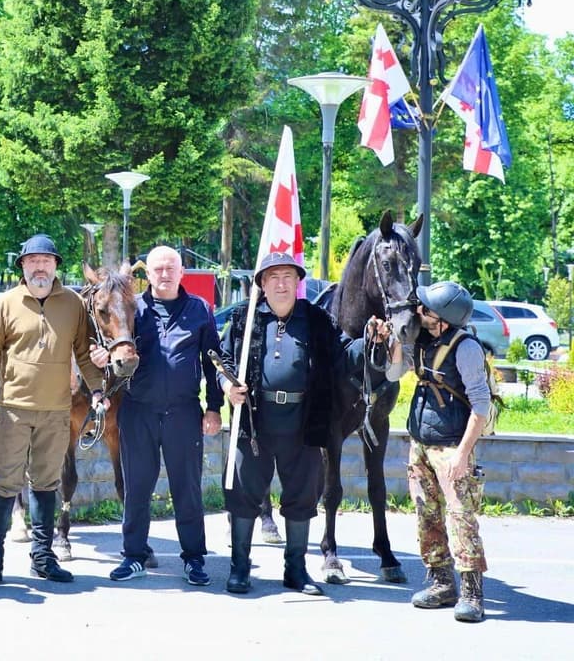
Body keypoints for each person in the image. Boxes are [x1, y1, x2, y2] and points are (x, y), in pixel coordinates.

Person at [0, 233, 106, 588]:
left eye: (46, 260)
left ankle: (43, 557)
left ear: (56, 265)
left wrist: (99, 389)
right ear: (22, 266)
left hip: (56, 412)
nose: (40, 266)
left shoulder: (73, 304)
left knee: (46, 483)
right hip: (13, 410)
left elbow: (86, 355)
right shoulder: (6, 304)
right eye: (32, 261)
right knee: (3, 484)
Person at [218, 251, 360, 596]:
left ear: (298, 283)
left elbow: (346, 356)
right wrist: (227, 387)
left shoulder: (317, 320)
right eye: (273, 277)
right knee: (242, 496)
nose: (281, 284)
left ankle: (295, 570)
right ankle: (239, 568)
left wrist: (374, 345)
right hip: (255, 423)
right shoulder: (243, 318)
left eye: (288, 277)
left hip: (304, 423)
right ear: (262, 284)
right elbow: (221, 359)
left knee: (301, 498)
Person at [90, 246, 222, 586]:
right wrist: (102, 360)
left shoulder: (200, 310)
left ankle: (194, 559)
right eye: (157, 269)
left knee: (187, 489)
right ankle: (134, 556)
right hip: (138, 411)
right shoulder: (134, 307)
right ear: (146, 275)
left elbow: (212, 361)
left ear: (182, 273)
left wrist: (214, 408)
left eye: (170, 268)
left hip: (184, 412)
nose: (164, 274)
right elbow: (116, 342)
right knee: (136, 487)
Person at [383, 281, 490, 622]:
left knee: (460, 519)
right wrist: (395, 342)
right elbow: (394, 372)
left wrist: (462, 456)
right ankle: (441, 582)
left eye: (425, 309)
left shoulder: (466, 348)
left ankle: (472, 593)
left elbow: (481, 406)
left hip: (451, 447)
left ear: (442, 318)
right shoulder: (426, 343)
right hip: (421, 445)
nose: (419, 311)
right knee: (426, 516)